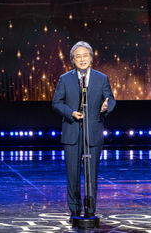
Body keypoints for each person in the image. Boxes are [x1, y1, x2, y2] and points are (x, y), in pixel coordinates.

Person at [52, 41, 115, 219]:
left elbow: (111, 99)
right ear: (73, 60)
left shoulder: (101, 78)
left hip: (93, 133)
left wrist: (106, 105)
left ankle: (90, 209)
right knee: (73, 175)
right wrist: (71, 112)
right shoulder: (65, 79)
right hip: (72, 133)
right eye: (78, 56)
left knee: (91, 175)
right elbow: (56, 103)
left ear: (91, 58)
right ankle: (74, 209)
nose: (82, 59)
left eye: (85, 55)